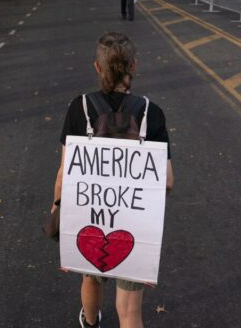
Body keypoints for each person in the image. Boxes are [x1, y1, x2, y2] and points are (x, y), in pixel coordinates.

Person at [52, 32, 174, 328]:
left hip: (90, 214)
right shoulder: (150, 114)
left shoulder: (78, 108)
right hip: (133, 221)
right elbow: (167, 180)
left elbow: (65, 171)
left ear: (97, 68)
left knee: (91, 277)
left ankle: (90, 321)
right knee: (130, 310)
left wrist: (57, 208)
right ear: (134, 66)